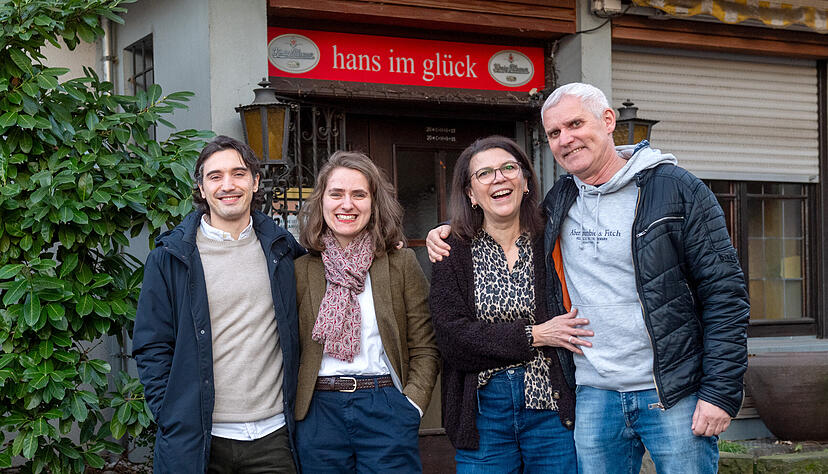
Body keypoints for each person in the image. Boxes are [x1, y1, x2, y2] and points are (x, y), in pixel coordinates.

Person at [427, 84, 750, 474]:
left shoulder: (676, 189)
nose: (566, 139)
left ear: (609, 120)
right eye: (555, 133)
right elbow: (454, 324)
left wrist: (720, 392)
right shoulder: (560, 204)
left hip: (670, 390)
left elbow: (725, 294)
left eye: (576, 123)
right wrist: (445, 230)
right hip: (593, 393)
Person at [133, 135, 304, 473]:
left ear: (255, 182)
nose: (228, 185)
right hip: (199, 438)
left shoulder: (283, 251)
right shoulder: (169, 259)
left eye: (239, 174)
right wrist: (170, 413)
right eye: (215, 176)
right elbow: (151, 345)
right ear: (200, 187)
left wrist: (390, 245)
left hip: (273, 437)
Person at [429, 136, 580, 473]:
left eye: (508, 168)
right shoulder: (452, 250)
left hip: (551, 407)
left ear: (525, 181)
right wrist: (535, 336)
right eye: (484, 174)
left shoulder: (555, 239)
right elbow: (453, 339)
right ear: (470, 193)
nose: (498, 178)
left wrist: (493, 339)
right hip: (483, 412)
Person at [293, 151, 440, 473]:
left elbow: (426, 345)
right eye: (336, 194)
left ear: (374, 204)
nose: (347, 204)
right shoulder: (300, 269)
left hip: (385, 405)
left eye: (359, 194)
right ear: (322, 202)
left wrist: (411, 404)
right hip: (318, 412)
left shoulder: (400, 263)